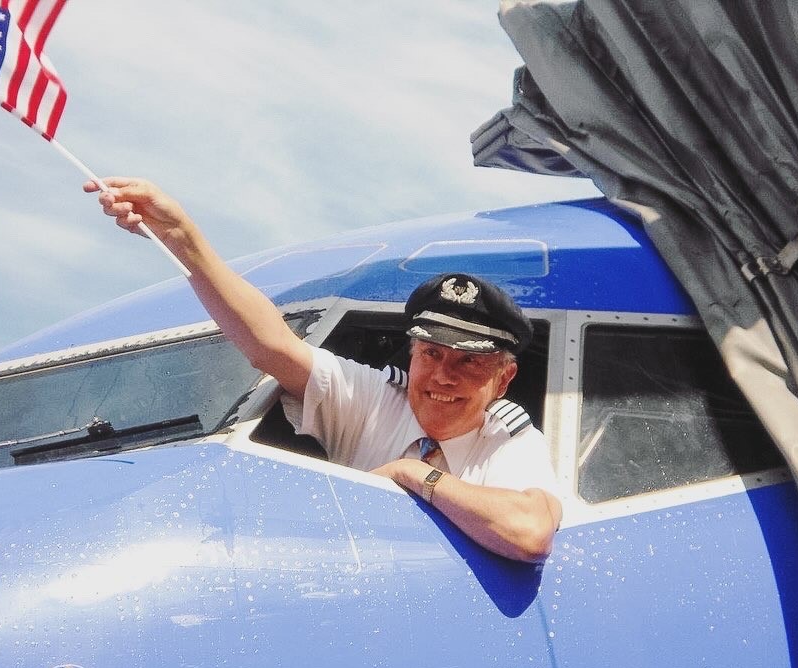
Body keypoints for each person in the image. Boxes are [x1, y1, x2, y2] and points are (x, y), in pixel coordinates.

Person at [84, 177, 563, 563]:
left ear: (503, 380)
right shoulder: (376, 400)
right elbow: (270, 346)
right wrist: (182, 238)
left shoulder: (508, 441)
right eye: (430, 354)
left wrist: (415, 474)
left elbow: (530, 533)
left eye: (469, 361)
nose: (443, 376)